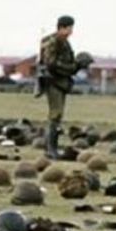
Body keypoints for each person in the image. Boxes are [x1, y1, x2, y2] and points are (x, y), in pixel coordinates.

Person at [38, 15, 90, 158]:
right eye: (69, 28)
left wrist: (75, 66)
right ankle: (50, 149)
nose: (71, 31)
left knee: (57, 116)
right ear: (62, 27)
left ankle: (51, 148)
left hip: (60, 82)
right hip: (53, 81)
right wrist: (73, 67)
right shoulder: (55, 42)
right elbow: (52, 64)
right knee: (55, 115)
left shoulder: (64, 42)